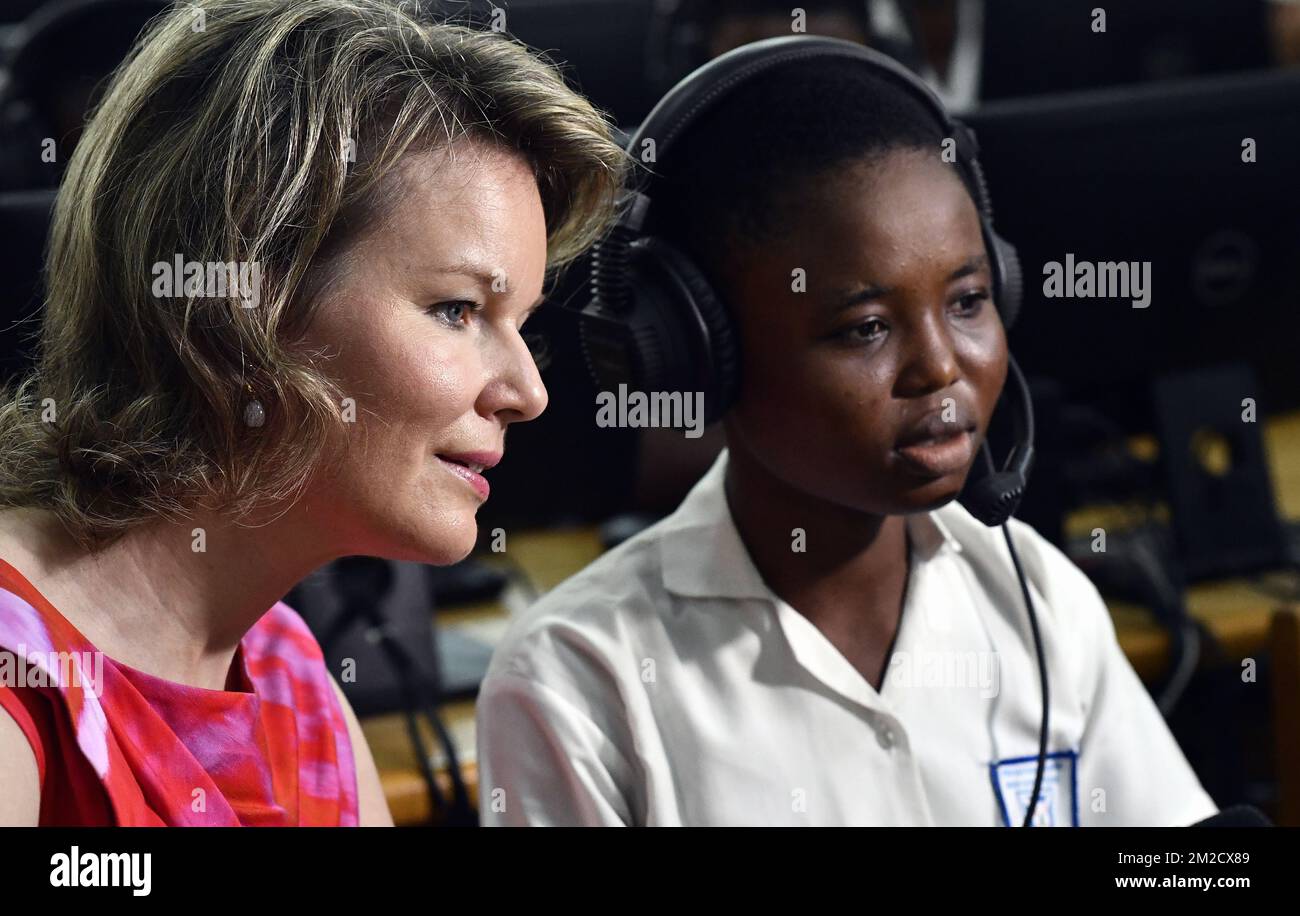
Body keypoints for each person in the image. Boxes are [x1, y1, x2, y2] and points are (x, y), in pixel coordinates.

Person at [475, 40, 1219, 826]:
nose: (939, 367)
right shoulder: (582, 680)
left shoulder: (1033, 593)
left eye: (967, 301)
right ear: (697, 353)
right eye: (865, 328)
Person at [0, 0, 626, 826]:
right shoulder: (20, 687)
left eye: (521, 325)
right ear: (241, 303)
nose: (526, 391)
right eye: (457, 310)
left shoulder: (295, 681)